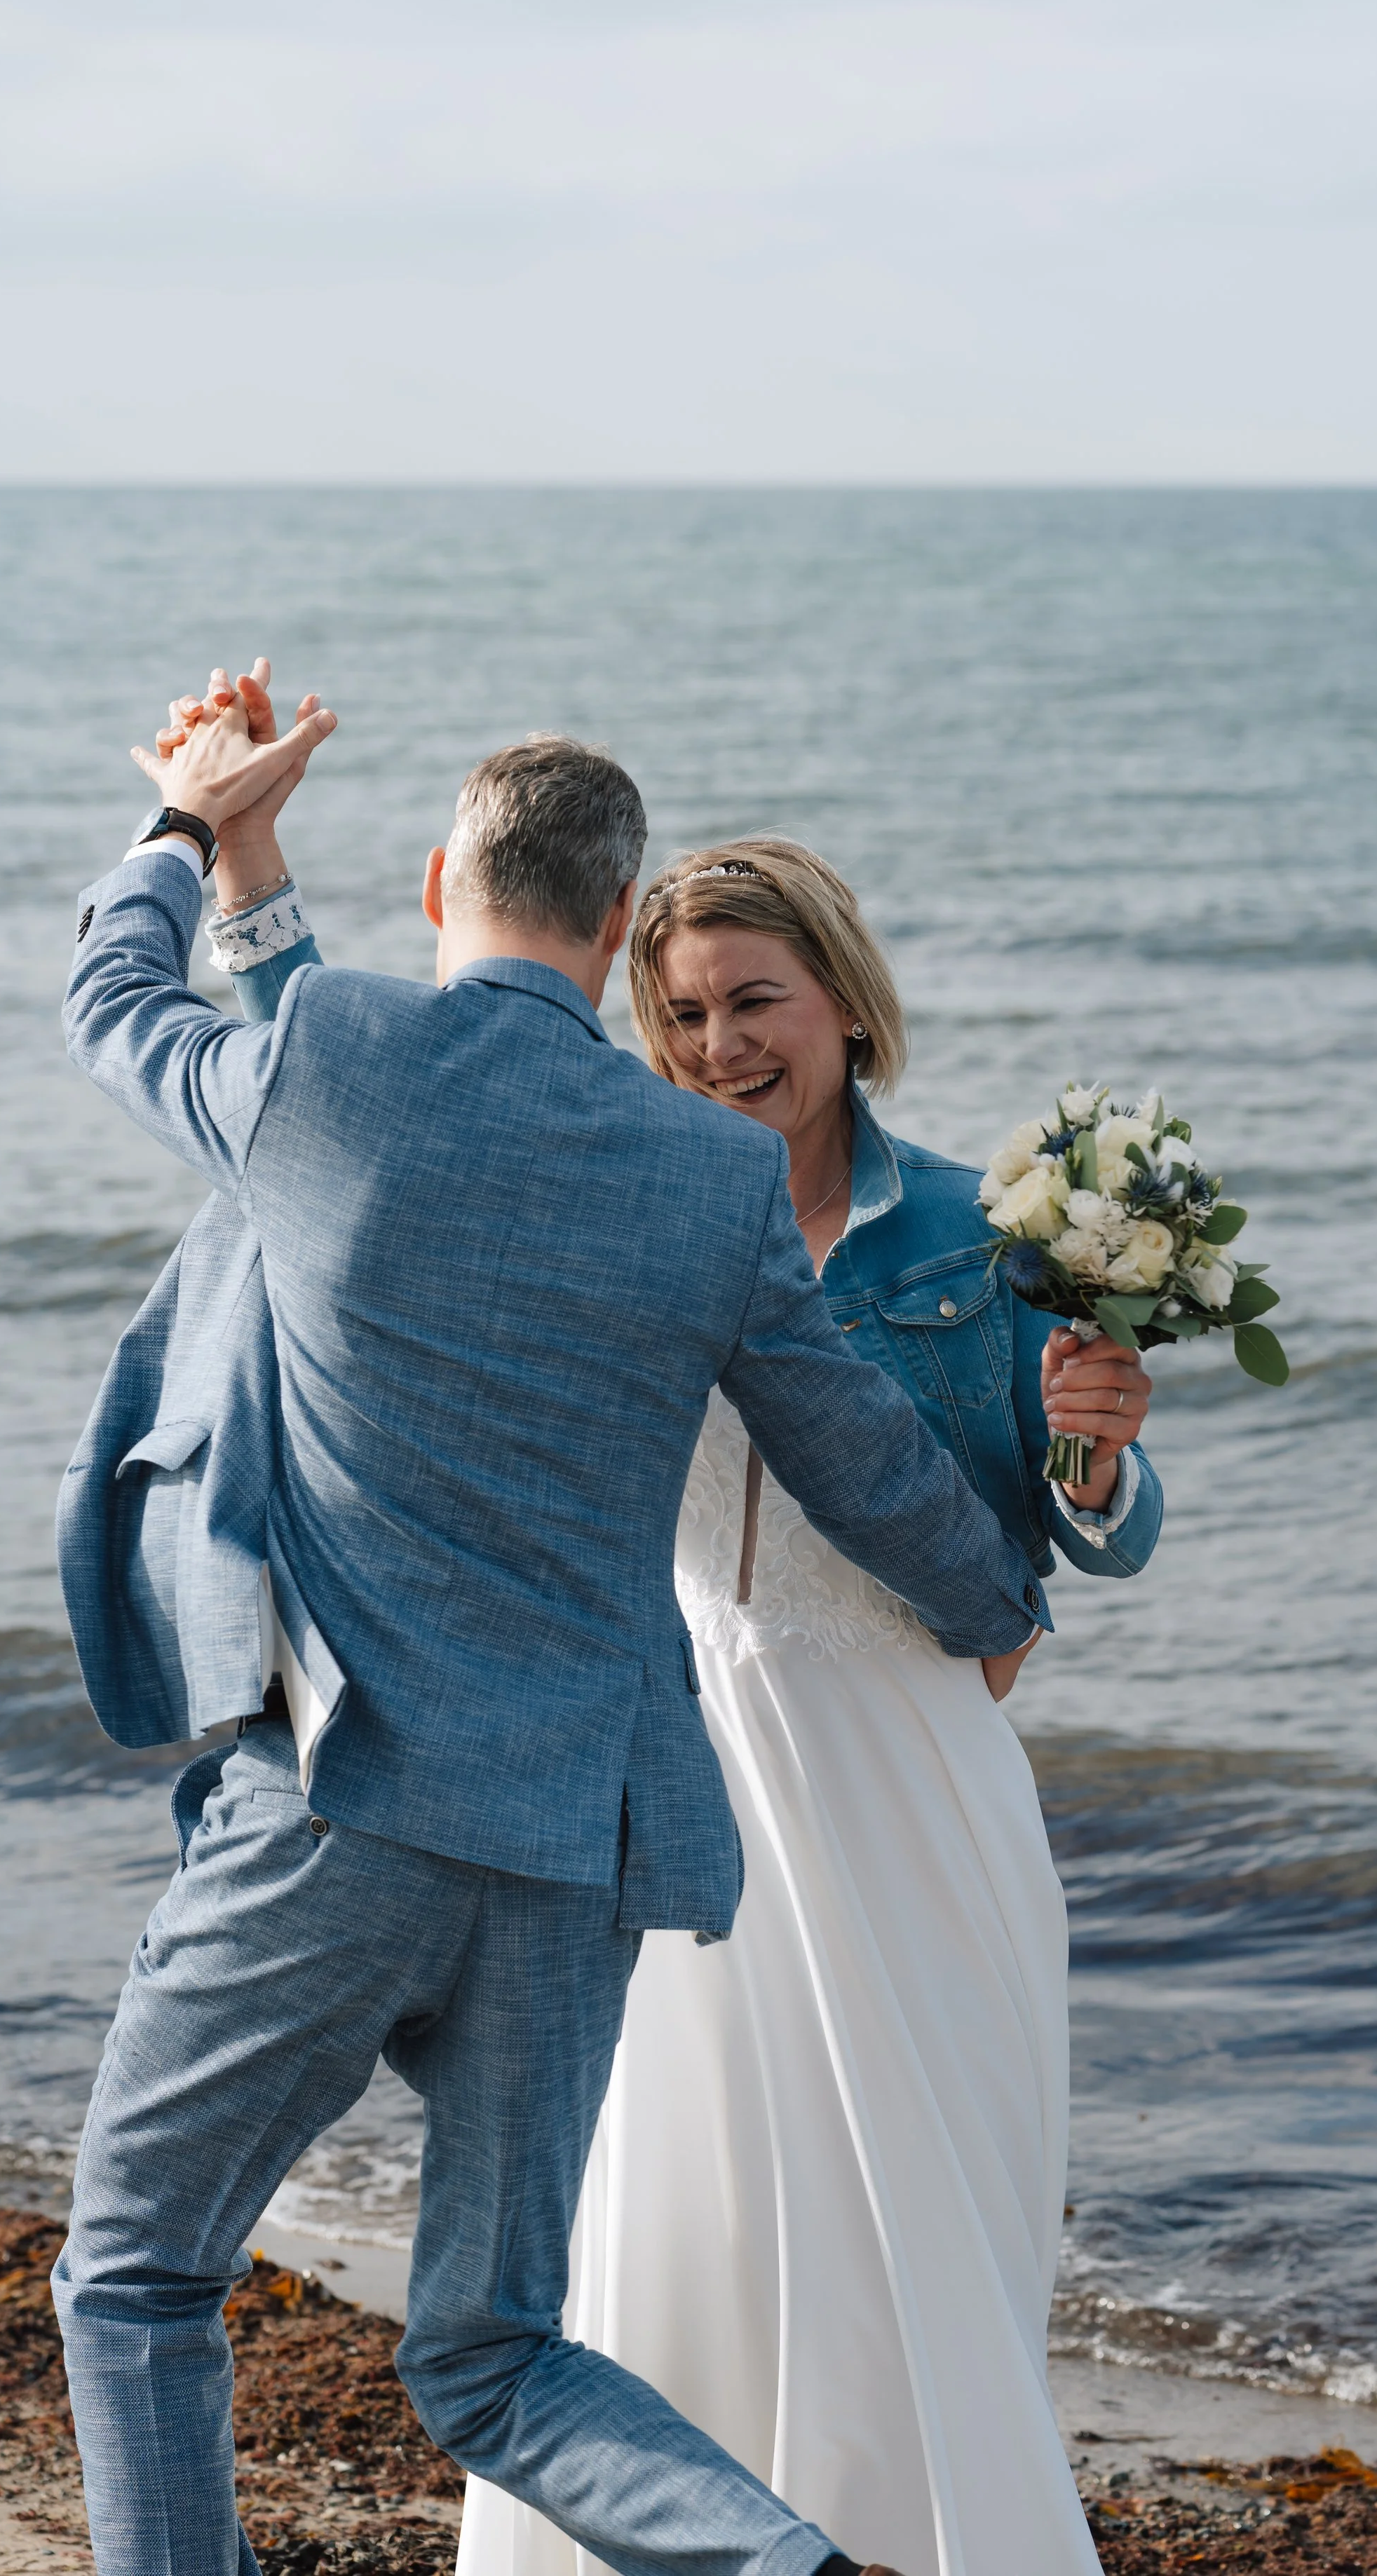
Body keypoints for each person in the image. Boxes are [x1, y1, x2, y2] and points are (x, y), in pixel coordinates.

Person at [55, 665, 1057, 2576]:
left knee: (131, 2276)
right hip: (571, 1854)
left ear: (441, 880)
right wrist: (996, 1598)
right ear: (619, 932)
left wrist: (188, 829)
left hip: (334, 1818)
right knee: (497, 2350)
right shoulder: (704, 1172)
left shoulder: (329, 1058)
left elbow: (117, 1005)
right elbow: (854, 1450)